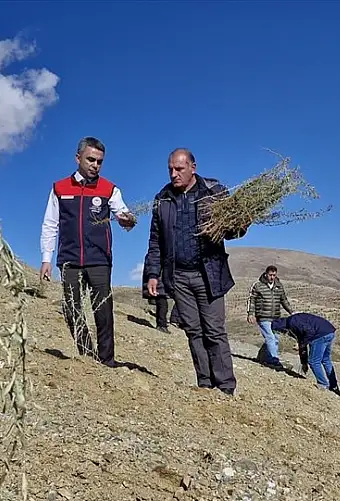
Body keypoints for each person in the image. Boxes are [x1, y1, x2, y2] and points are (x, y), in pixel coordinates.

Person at [143, 148, 248, 395]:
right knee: (193, 331)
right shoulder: (163, 199)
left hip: (208, 274)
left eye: (179, 169)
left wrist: (241, 222)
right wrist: (152, 273)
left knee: (214, 330)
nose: (173, 174)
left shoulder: (213, 193)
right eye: (170, 169)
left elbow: (233, 231)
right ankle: (205, 383)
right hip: (178, 276)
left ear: (193, 167)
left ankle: (225, 386)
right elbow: (155, 240)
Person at [40, 136, 137, 366]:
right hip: (69, 260)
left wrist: (128, 220)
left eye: (99, 161)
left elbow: (124, 213)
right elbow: (50, 224)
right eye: (91, 159)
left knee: (103, 311)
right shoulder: (59, 188)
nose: (95, 165)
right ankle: (87, 357)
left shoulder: (109, 189)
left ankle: (107, 361)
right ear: (78, 158)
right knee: (72, 309)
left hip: (99, 260)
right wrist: (46, 258)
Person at [271, 313, 339, 391]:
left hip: (320, 335)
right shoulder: (294, 322)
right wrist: (304, 363)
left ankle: (323, 384)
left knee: (314, 361)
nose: (285, 334)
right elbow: (302, 346)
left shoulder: (292, 323)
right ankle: (334, 386)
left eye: (282, 332)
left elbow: (309, 332)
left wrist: (303, 343)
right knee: (325, 360)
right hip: (329, 331)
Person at [247, 265, 294, 369]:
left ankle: (265, 357)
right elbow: (252, 300)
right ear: (266, 274)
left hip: (276, 317)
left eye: (274, 275)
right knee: (270, 337)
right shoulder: (258, 285)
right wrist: (250, 314)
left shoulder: (279, 286)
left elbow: (284, 300)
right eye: (270, 275)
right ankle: (274, 360)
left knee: (275, 338)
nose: (272, 277)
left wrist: (291, 312)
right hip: (263, 316)